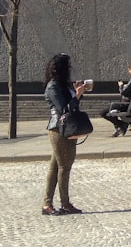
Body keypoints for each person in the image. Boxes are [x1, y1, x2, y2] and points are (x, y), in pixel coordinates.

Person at [42, 53, 86, 216]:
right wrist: (78, 94)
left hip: (65, 128)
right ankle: (64, 203)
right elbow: (64, 110)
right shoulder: (53, 86)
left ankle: (47, 204)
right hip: (59, 130)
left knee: (55, 168)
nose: (69, 69)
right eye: (67, 66)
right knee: (64, 167)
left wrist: (77, 93)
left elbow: (72, 107)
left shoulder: (61, 85)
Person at [100, 63, 131, 137]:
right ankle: (122, 125)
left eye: (130, 71)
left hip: (128, 105)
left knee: (103, 112)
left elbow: (123, 93)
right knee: (114, 108)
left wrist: (121, 86)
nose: (130, 73)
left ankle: (121, 125)